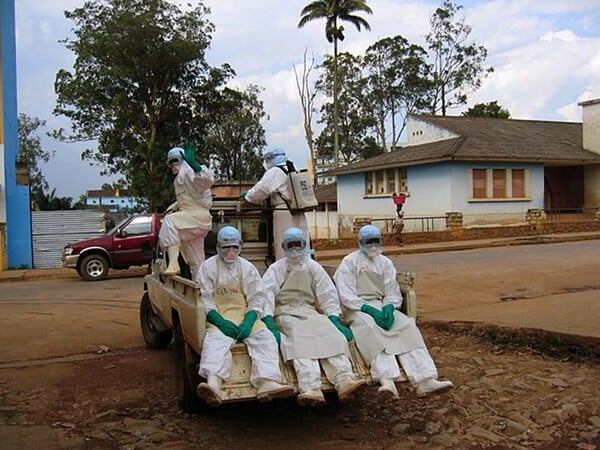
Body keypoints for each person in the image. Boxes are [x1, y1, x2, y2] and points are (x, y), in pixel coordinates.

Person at [334, 224, 453, 399]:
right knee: (370, 329)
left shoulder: (386, 263)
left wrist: (389, 306)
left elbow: (391, 290)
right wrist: (369, 310)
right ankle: (386, 379)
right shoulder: (349, 262)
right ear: (360, 242)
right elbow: (346, 295)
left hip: (381, 305)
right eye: (369, 242)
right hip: (358, 308)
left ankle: (424, 379)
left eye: (376, 241)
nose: (373, 246)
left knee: (406, 326)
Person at [262, 227, 366, 407]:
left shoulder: (313, 267)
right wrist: (269, 321)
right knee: (298, 339)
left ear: (305, 245)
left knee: (330, 333)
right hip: (285, 312)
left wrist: (333, 317)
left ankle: (344, 379)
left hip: (309, 311)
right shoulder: (276, 269)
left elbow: (327, 293)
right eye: (290, 245)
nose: (295, 250)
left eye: (298, 245)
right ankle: (310, 387)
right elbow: (266, 295)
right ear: (284, 247)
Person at [195, 226, 293, 407]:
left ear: (240, 246)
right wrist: (219, 321)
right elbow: (205, 298)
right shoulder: (207, 268)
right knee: (215, 342)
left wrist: (249, 321)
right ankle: (214, 384)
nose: (230, 252)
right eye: (225, 247)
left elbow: (257, 297)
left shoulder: (247, 268)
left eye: (234, 247)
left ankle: (266, 381)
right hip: (220, 316)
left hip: (244, 314)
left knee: (265, 339)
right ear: (217, 247)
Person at [240, 148, 310, 260]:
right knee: (301, 244)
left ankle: (284, 271)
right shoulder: (293, 167)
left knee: (284, 243)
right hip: (298, 210)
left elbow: (262, 189)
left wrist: (248, 196)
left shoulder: (275, 171)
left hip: (284, 211)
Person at [159, 143, 214, 278]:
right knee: (196, 259)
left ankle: (173, 263)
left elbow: (207, 180)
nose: (173, 165)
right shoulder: (179, 178)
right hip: (193, 220)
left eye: (175, 161)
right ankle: (200, 286)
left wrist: (195, 166)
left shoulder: (188, 171)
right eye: (170, 163)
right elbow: (191, 196)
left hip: (196, 216)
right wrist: (175, 206)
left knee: (170, 222)